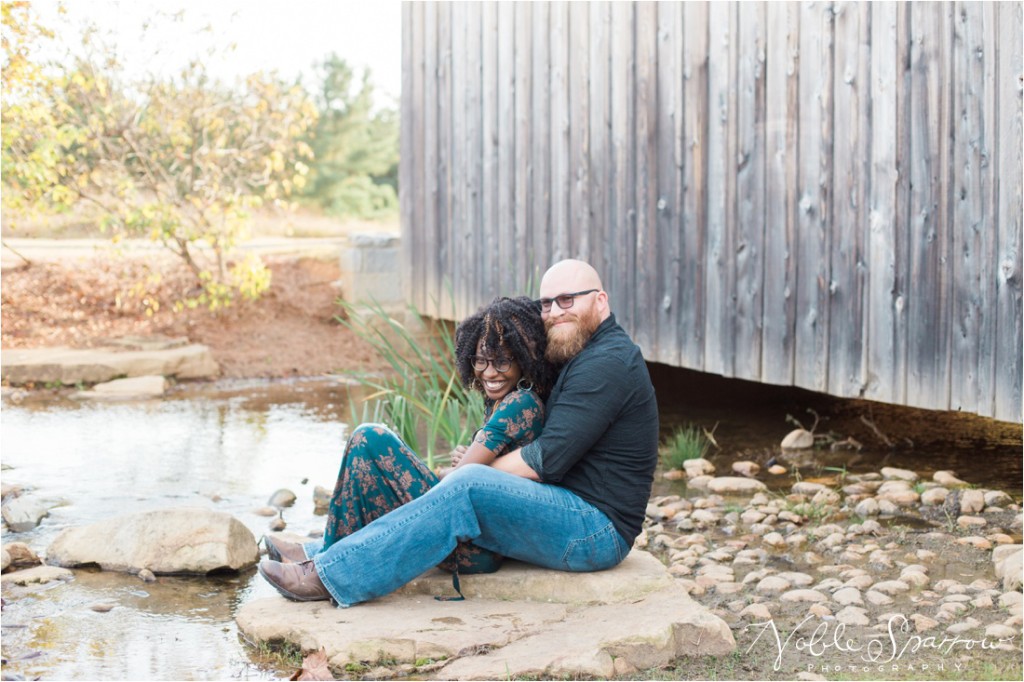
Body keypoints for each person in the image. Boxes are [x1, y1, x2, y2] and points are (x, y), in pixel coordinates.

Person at [258, 259, 660, 605]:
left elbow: (545, 459)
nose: (555, 311)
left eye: (567, 300)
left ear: (600, 300)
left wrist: (466, 475)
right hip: (569, 508)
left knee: (468, 485)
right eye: (547, 303)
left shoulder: (607, 363)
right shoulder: (581, 351)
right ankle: (321, 553)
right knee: (450, 475)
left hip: (595, 529)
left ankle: (330, 577)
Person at [263, 295, 556, 577]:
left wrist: (455, 467)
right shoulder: (505, 399)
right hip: (468, 531)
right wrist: (465, 463)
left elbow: (460, 478)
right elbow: (473, 472)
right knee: (366, 456)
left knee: (369, 438)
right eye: (481, 361)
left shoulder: (521, 403)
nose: (489, 372)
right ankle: (324, 550)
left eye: (502, 361)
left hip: (476, 548)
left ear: (524, 359)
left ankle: (325, 559)